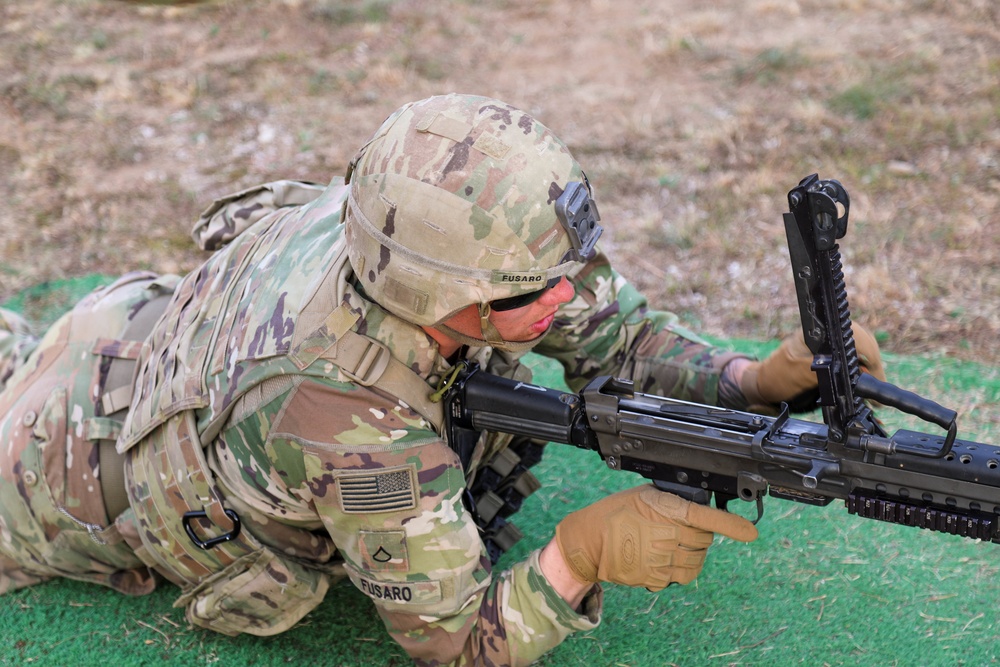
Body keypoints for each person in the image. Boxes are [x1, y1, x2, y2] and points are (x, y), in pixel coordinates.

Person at [0, 94, 885, 665]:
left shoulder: (448, 231)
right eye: (538, 289)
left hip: (126, 330)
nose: (568, 294)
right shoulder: (348, 413)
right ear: (446, 295)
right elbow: (463, 638)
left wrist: (753, 380)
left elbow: (616, 336)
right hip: (60, 473)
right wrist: (580, 552)